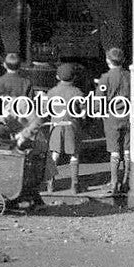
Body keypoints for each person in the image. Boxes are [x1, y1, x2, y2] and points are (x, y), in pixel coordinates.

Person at [95, 46, 131, 196]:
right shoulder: (130, 76)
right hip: (129, 116)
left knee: (114, 151)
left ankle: (114, 182)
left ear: (107, 60)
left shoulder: (105, 78)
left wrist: (97, 111)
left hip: (111, 118)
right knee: (128, 149)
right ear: (123, 60)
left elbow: (99, 100)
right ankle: (127, 181)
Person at [45, 63, 84, 194]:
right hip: (71, 126)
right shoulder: (78, 92)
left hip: (56, 126)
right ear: (74, 77)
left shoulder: (51, 92)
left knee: (54, 154)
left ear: (57, 76)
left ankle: (50, 184)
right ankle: (74, 185)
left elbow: (45, 111)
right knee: (74, 154)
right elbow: (83, 113)